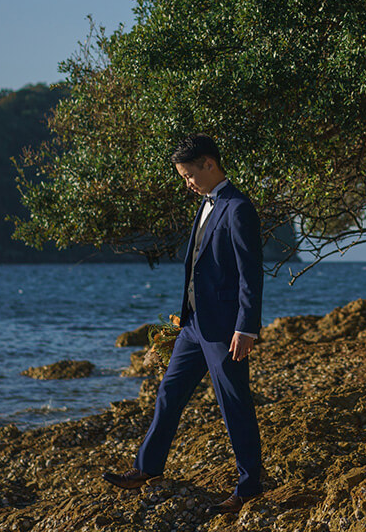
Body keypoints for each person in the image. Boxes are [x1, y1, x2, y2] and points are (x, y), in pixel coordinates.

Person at [103, 134, 265, 515]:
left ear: (209, 164)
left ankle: (249, 486)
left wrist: (246, 327)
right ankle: (146, 467)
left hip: (226, 329)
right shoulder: (206, 204)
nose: (187, 183)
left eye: (189, 175)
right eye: (183, 177)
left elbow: (250, 274)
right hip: (193, 326)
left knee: (234, 405)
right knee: (169, 394)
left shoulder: (238, 207)